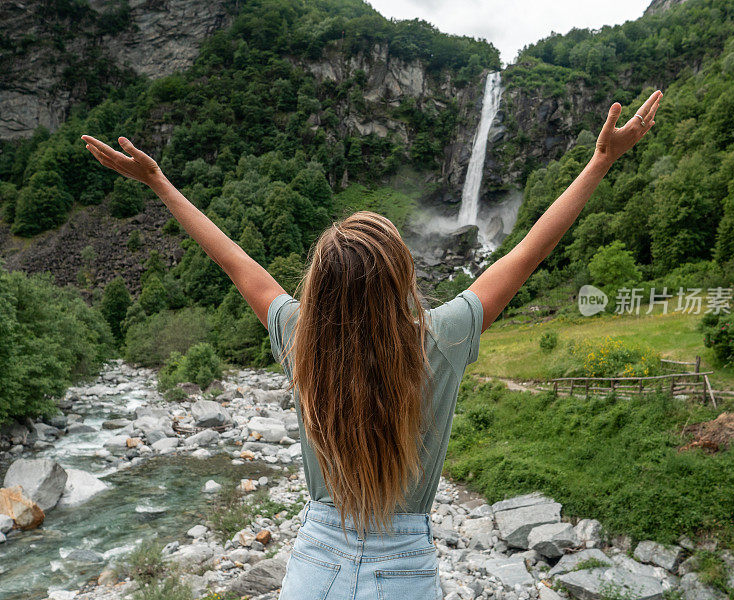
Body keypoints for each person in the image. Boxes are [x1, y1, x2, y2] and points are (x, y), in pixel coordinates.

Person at [82, 88, 661, 599]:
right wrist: (600, 163)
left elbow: (237, 265)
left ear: (321, 288)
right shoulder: (443, 337)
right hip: (406, 568)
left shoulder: (299, 337)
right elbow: (527, 253)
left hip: (315, 565)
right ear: (403, 278)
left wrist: (159, 182)